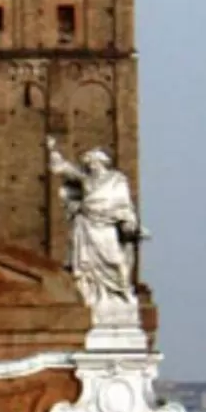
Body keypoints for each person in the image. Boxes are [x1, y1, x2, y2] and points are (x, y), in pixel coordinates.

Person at [46, 137, 140, 326]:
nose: (90, 166)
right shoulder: (86, 180)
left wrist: (128, 222)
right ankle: (94, 297)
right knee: (86, 266)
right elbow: (63, 168)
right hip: (87, 226)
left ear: (101, 161)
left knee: (116, 261)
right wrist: (52, 150)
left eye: (92, 162)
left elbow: (125, 205)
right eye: (88, 164)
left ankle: (122, 294)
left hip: (106, 226)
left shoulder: (117, 181)